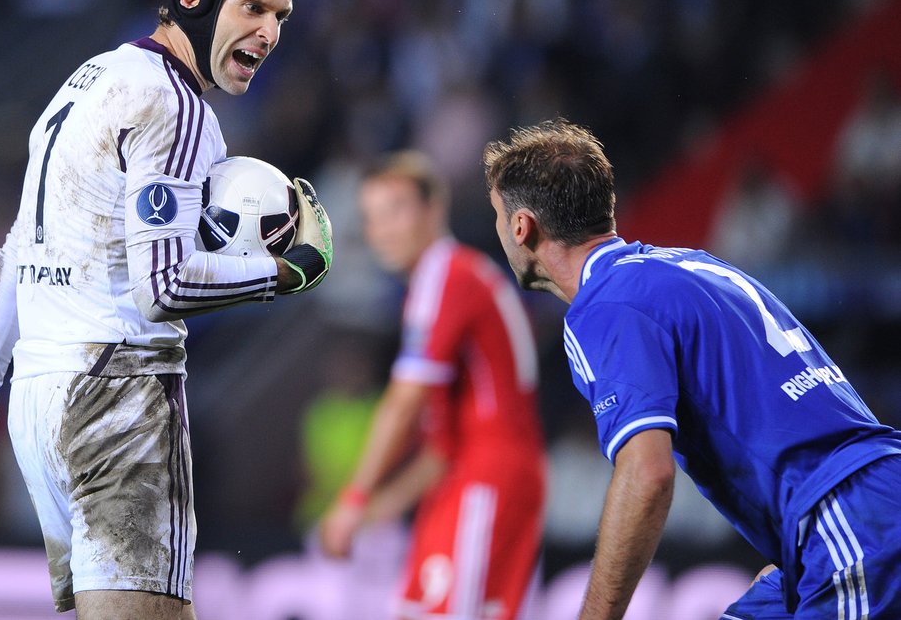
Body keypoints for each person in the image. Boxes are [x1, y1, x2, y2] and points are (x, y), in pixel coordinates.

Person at [0, 0, 334, 620]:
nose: (270, 31)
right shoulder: (180, 107)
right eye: (253, 7)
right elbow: (165, 288)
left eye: (281, 16)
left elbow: (18, 254)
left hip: (40, 402)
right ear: (194, 0)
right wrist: (288, 270)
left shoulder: (87, 79)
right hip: (118, 395)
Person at [482, 117, 901, 620]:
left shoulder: (606, 306)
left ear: (522, 225)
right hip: (852, 513)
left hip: (849, 522)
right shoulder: (691, 267)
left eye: (498, 217)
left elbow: (648, 472)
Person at [319, 151, 546, 620]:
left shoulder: (444, 273)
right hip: (472, 476)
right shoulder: (450, 278)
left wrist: (353, 499)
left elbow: (405, 402)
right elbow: (441, 447)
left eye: (395, 210)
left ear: (433, 209)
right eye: (372, 217)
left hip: (486, 479)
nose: (381, 229)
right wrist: (382, 505)